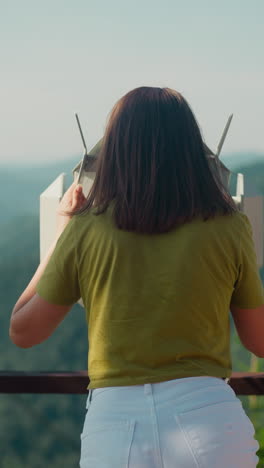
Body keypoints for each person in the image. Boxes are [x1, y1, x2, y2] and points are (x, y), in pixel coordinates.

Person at [10, 86, 264, 468]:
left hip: (114, 429)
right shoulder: (230, 225)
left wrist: (61, 234)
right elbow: (258, 340)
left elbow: (24, 330)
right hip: (210, 425)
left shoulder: (85, 230)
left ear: (116, 150)